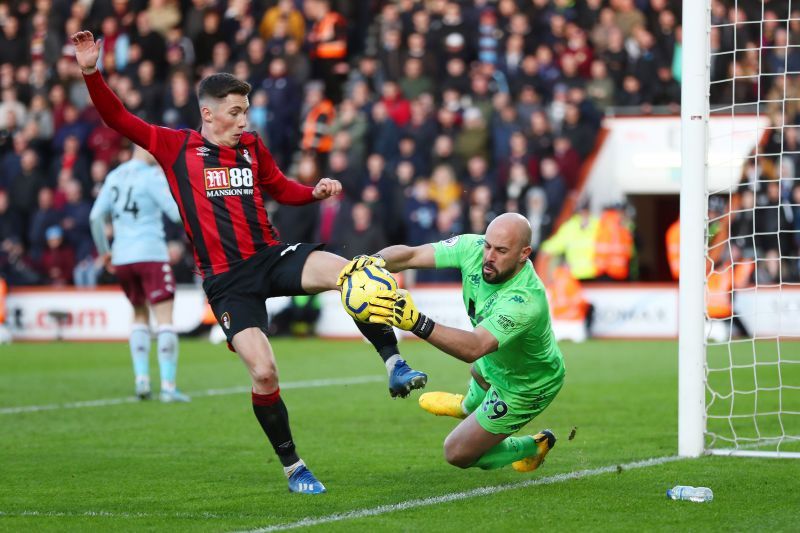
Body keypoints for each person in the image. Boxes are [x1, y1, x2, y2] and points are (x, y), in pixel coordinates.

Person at [72, 30, 426, 495]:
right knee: (264, 373)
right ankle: (294, 467)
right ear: (209, 113)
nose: (244, 120)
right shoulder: (175, 146)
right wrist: (91, 71)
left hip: (270, 256)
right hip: (226, 281)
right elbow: (116, 117)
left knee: (353, 272)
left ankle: (394, 362)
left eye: (246, 111)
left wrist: (312, 193)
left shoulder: (252, 147)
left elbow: (279, 187)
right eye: (235, 112)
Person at [345, 214, 566, 472]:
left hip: (527, 384)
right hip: (494, 360)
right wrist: (374, 262)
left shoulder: (525, 300)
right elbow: (411, 256)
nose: (489, 256)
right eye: (488, 245)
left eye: (501, 250)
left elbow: (474, 347)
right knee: (479, 375)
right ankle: (466, 406)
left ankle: (531, 446)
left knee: (458, 453)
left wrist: (416, 322)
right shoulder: (473, 248)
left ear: (523, 253)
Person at [89, 146, 188, 403]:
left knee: (139, 314)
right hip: (151, 253)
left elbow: (95, 217)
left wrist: (105, 251)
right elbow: (177, 215)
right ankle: (168, 387)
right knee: (164, 317)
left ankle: (142, 380)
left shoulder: (114, 176)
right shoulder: (152, 177)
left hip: (122, 257)